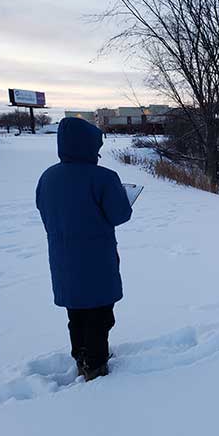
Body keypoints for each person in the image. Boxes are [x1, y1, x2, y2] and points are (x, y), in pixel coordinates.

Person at [36, 117, 132, 380]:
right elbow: (120, 215)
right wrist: (123, 197)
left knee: (76, 313)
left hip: (62, 259)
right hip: (97, 259)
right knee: (100, 316)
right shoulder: (103, 178)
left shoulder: (47, 177)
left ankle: (80, 357)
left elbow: (44, 211)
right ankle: (96, 368)